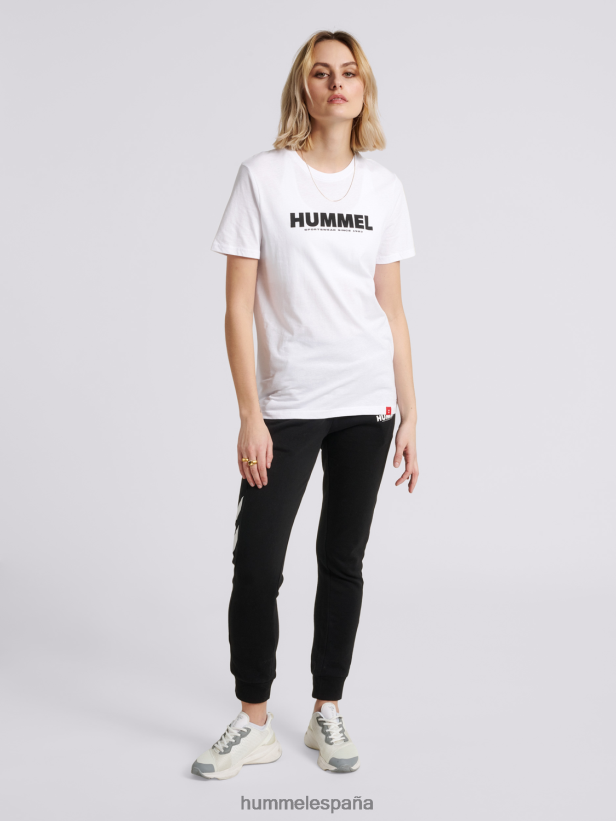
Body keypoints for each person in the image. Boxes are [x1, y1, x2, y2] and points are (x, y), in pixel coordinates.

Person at [191, 29, 419, 781]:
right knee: (257, 563)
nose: (336, 84)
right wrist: (249, 413)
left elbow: (392, 309)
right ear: (304, 87)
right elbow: (236, 307)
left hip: (367, 402)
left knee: (342, 561)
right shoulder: (263, 178)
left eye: (349, 72)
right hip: (286, 404)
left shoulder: (383, 189)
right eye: (321, 73)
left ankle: (327, 707)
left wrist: (411, 412)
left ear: (363, 88)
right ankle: (254, 719)